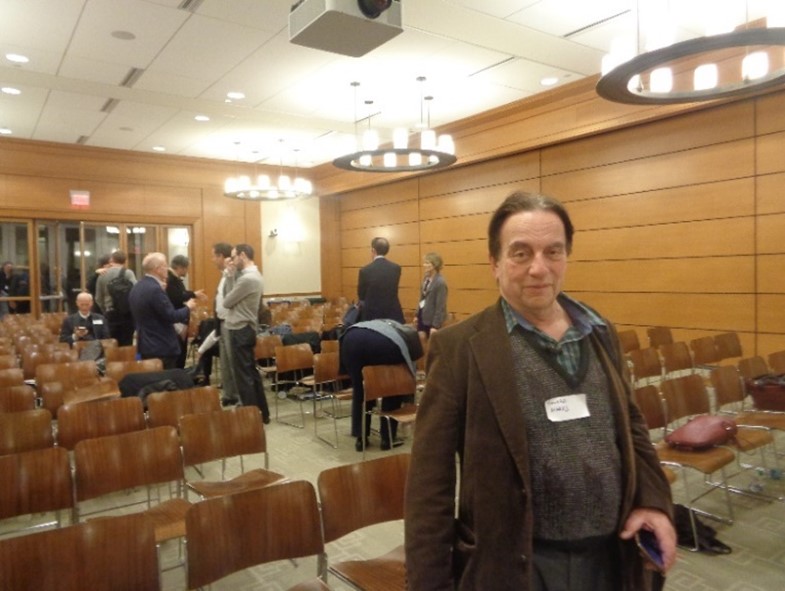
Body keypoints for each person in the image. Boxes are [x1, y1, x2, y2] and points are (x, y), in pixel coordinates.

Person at [405, 192, 676, 591]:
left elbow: (632, 428)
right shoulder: (460, 349)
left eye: (553, 251)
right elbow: (430, 484)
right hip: (516, 567)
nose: (539, 268)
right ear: (495, 263)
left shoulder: (599, 332)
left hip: (610, 557)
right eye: (521, 253)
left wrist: (653, 502)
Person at [340, 319, 417, 452]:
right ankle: (387, 438)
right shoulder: (406, 341)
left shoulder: (391, 326)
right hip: (380, 345)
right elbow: (410, 369)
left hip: (349, 340)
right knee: (392, 389)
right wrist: (408, 398)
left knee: (361, 391)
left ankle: (361, 438)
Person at [222, 243, 269, 422]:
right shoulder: (254, 275)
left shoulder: (247, 279)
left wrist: (229, 275)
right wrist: (232, 274)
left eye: (234, 257)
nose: (232, 261)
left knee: (243, 377)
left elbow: (227, 301)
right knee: (251, 374)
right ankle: (262, 414)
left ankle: (250, 419)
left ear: (243, 255)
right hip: (246, 329)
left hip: (240, 329)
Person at [128, 252, 195, 370]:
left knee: (151, 379)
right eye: (165, 265)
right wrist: (188, 307)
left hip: (144, 344)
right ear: (157, 269)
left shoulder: (137, 286)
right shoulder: (155, 290)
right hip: (161, 346)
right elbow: (171, 316)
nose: (167, 268)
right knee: (165, 379)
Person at [166, 254, 205, 368]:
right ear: (180, 267)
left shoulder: (174, 279)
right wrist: (192, 297)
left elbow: (180, 294)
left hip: (179, 319)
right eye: (186, 268)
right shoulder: (170, 279)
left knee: (181, 352)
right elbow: (176, 297)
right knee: (178, 354)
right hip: (176, 321)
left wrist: (193, 294)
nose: (187, 271)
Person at [357, 237, 404, 323]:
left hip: (371, 314)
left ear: (373, 250)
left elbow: (361, 295)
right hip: (393, 313)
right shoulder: (396, 268)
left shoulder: (365, 270)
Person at [95, 250, 137, 346]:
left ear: (111, 260)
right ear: (125, 261)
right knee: (127, 344)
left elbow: (98, 298)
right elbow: (135, 291)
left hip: (110, 313)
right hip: (126, 313)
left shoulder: (103, 274)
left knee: (111, 343)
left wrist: (105, 309)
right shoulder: (128, 273)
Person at [416, 251, 448, 337]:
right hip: (423, 315)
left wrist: (435, 325)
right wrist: (417, 314)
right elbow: (422, 298)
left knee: (431, 342)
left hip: (432, 318)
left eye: (427, 263)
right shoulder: (426, 278)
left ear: (434, 265)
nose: (424, 265)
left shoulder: (440, 282)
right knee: (421, 337)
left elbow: (440, 306)